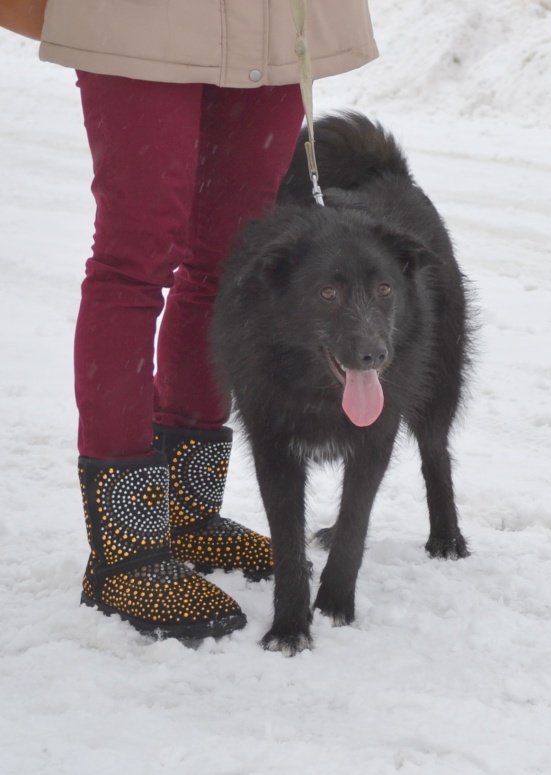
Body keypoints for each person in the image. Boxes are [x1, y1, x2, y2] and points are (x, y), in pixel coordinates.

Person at [3, 1, 377, 640]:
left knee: (231, 263)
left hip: (274, 19)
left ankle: (187, 512)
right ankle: (126, 551)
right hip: (142, 17)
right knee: (134, 260)